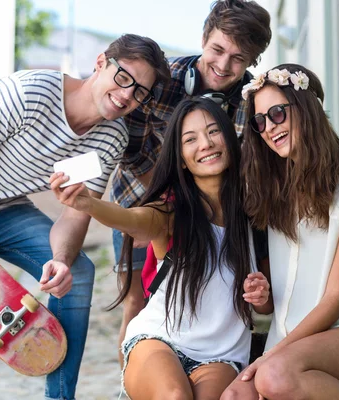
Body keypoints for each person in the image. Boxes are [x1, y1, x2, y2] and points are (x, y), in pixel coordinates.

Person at [0, 34, 170, 400]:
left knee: (76, 272)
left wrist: (60, 261)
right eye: (123, 78)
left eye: (140, 92)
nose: (127, 96)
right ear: (100, 63)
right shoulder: (29, 93)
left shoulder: (110, 137)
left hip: (3, 207)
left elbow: (75, 214)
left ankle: (60, 397)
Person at [50, 98, 272, 399]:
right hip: (158, 340)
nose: (205, 144)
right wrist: (88, 204)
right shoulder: (171, 211)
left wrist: (261, 295)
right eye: (190, 139)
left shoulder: (255, 215)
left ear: (230, 139)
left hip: (221, 356)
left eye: (213, 132)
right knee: (175, 396)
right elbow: (132, 220)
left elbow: (266, 307)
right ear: (180, 158)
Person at [221, 64, 339, 400]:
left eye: (277, 113)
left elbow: (334, 299)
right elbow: (277, 305)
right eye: (260, 122)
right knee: (234, 396)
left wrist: (270, 356)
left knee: (273, 375)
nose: (269, 128)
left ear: (306, 109)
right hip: (293, 345)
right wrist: (262, 297)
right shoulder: (275, 196)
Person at [110, 0, 272, 366]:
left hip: (211, 217)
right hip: (144, 201)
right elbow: (132, 149)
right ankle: (133, 384)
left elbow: (247, 169)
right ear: (203, 38)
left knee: (197, 303)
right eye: (217, 49)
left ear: (252, 61)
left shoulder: (251, 101)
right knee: (138, 302)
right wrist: (163, 204)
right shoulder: (162, 80)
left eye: (238, 58)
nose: (223, 65)